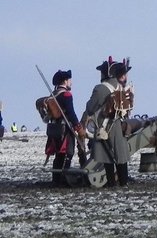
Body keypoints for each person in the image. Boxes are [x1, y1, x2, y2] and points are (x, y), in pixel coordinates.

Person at [85, 57, 133, 187]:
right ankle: (124, 182)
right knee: (121, 156)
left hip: (104, 127)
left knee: (106, 157)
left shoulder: (100, 88)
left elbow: (90, 108)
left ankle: (111, 183)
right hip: (119, 124)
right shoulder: (121, 86)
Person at [44, 69, 84, 185]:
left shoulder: (53, 95)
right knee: (68, 153)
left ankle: (56, 179)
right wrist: (78, 127)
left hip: (54, 129)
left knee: (59, 155)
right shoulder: (66, 95)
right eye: (69, 80)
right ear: (65, 81)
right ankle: (63, 178)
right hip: (65, 129)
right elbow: (71, 113)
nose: (71, 83)